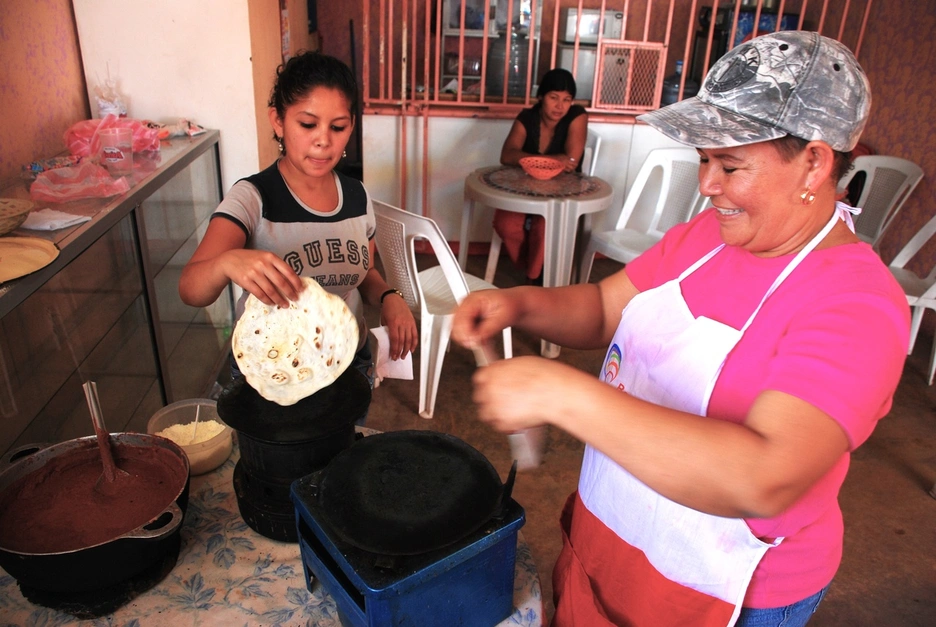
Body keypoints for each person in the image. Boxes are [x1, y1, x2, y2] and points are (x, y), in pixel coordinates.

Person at [452, 32, 910, 627]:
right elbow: (601, 308)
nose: (706, 186)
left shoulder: (857, 303)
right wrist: (516, 304)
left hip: (722, 586)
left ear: (815, 163)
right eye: (703, 161)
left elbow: (763, 476)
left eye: (730, 165)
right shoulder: (705, 239)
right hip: (618, 524)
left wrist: (563, 394)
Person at [179, 51, 418, 399]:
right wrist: (226, 262)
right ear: (278, 121)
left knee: (343, 451)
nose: (324, 140)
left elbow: (360, 271)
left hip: (348, 361)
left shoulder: (355, 195)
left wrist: (388, 296)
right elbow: (191, 289)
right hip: (275, 371)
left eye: (338, 127)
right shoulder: (254, 197)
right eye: (308, 124)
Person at [494, 68, 589, 283]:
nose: (560, 105)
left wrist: (527, 159)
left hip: (562, 192)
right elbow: (506, 154)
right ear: (540, 97)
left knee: (544, 225)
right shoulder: (527, 118)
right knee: (505, 223)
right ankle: (533, 266)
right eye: (553, 97)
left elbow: (571, 160)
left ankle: (533, 280)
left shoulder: (577, 115)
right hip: (525, 189)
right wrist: (551, 160)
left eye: (567, 99)